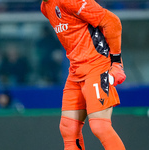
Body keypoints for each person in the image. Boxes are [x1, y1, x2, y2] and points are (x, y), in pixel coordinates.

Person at [40, 0, 126, 150]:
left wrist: (116, 63)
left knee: (100, 126)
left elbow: (112, 21)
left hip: (96, 66)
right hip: (75, 71)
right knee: (68, 128)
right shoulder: (45, 7)